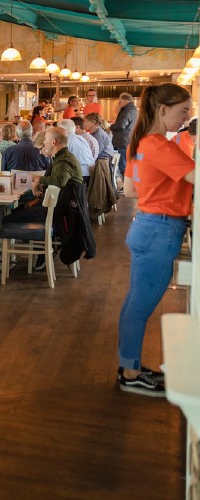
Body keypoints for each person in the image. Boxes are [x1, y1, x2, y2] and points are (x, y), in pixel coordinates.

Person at [117, 83, 194, 396]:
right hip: (160, 230)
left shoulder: (142, 142)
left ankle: (130, 366)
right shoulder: (159, 145)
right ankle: (131, 374)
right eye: (184, 110)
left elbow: (131, 190)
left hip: (148, 226)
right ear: (163, 110)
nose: (188, 117)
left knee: (135, 303)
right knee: (139, 306)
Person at [3, 126, 82, 224]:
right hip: (60, 207)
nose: (43, 144)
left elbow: (60, 181)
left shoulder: (63, 160)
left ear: (53, 142)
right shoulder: (60, 158)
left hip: (60, 211)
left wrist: (39, 179)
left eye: (45, 142)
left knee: (7, 220)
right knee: (18, 210)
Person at [110, 92, 138, 181]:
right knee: (127, 165)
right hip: (128, 141)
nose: (119, 104)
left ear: (125, 101)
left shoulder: (127, 110)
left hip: (122, 142)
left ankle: (127, 186)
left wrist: (110, 127)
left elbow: (122, 125)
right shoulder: (134, 110)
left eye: (120, 102)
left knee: (122, 166)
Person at [56, 119, 95, 184]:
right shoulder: (80, 138)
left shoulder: (67, 140)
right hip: (90, 171)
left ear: (62, 130)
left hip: (80, 174)